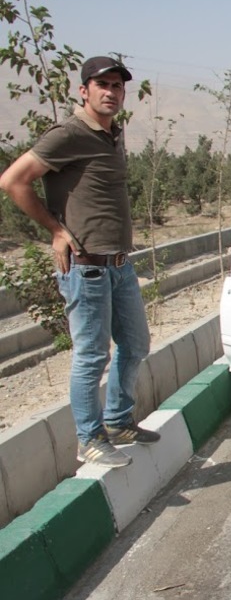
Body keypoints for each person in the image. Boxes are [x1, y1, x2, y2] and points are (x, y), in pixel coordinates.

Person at [0, 56, 160, 469]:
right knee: (92, 355)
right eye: (102, 84)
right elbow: (12, 180)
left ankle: (119, 421)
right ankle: (89, 438)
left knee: (136, 343)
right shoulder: (68, 134)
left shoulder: (111, 134)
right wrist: (55, 230)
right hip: (86, 266)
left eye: (117, 86)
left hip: (119, 264)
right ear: (83, 90)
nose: (111, 92)